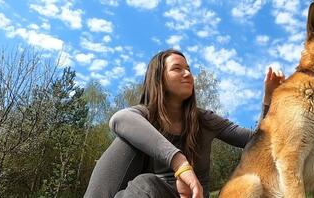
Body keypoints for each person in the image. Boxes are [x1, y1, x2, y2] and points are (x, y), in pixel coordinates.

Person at [84, 49, 285, 198]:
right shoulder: (146, 116)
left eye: (188, 69)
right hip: (151, 194)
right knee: (130, 150)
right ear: (159, 79)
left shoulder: (206, 120)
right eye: (177, 69)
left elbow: (258, 142)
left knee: (146, 183)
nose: (188, 74)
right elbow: (119, 119)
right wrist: (180, 163)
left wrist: (269, 98)